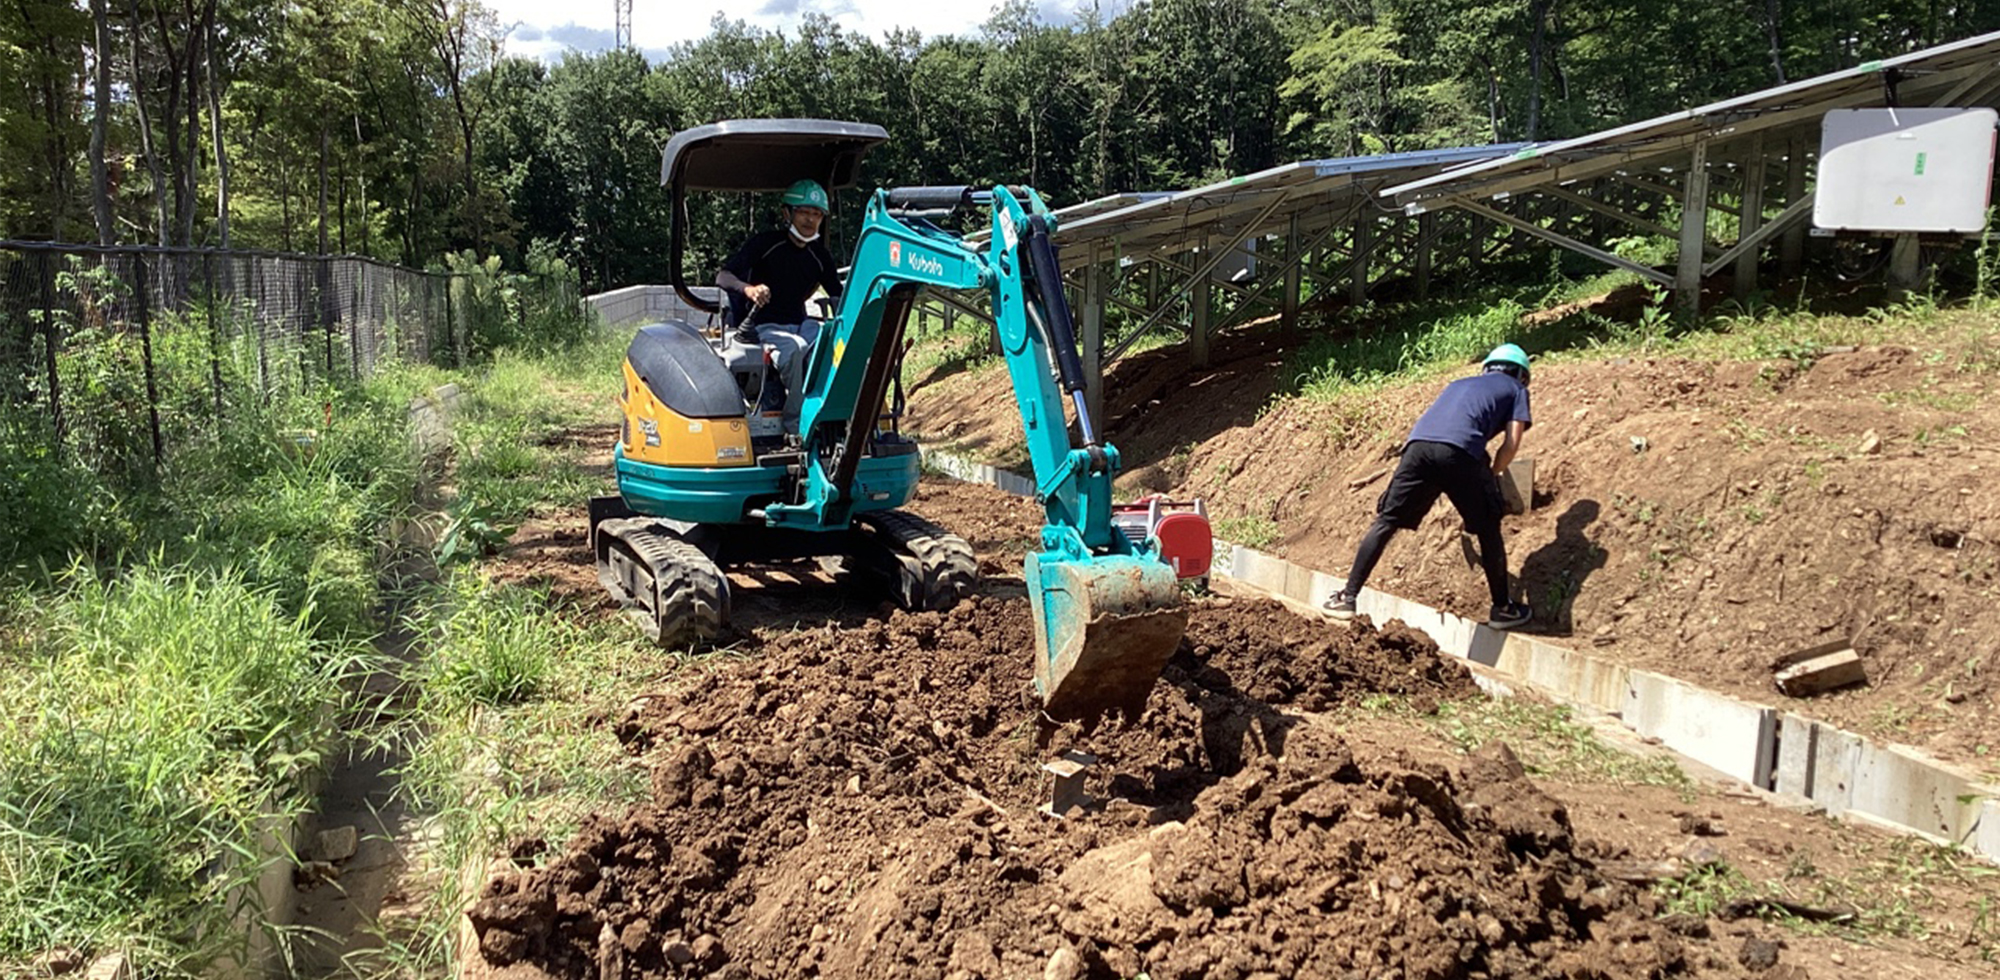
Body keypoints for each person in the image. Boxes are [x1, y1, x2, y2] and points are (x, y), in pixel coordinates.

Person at [1324, 343, 1536, 630]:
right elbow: (1511, 443)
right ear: (1521, 375)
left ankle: (1346, 598)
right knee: (1488, 527)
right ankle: (1503, 609)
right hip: (1461, 452)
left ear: (1487, 367)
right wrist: (1494, 476)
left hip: (1418, 448)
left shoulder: (1458, 383)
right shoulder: (1516, 389)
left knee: (1386, 521)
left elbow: (1445, 424)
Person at [715, 178, 844, 433]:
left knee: (835, 342)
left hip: (801, 324)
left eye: (816, 214)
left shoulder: (819, 256)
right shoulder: (765, 245)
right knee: (794, 349)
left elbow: (838, 295)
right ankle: (795, 424)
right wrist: (749, 290)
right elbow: (723, 276)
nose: (810, 220)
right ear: (787, 213)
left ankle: (832, 413)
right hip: (763, 326)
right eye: (804, 212)